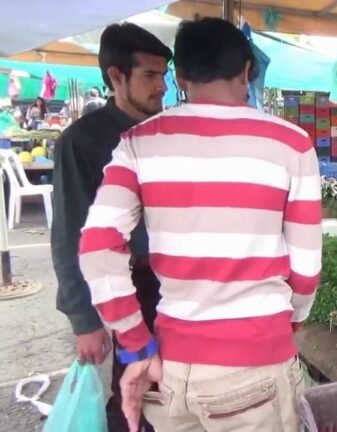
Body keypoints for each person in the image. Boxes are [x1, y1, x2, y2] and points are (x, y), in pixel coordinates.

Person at [78, 17, 322, 432]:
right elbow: (306, 270)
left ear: (180, 76)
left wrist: (136, 344)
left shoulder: (139, 142)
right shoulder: (291, 143)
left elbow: (97, 248)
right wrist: (288, 323)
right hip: (257, 364)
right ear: (247, 70)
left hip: (174, 373)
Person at [51, 23, 172, 432]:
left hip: (171, 282)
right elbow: (69, 235)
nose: (163, 88)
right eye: (150, 76)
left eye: (165, 76)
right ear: (116, 76)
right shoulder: (81, 141)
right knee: (132, 392)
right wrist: (83, 319)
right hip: (125, 285)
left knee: (170, 387)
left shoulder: (164, 132)